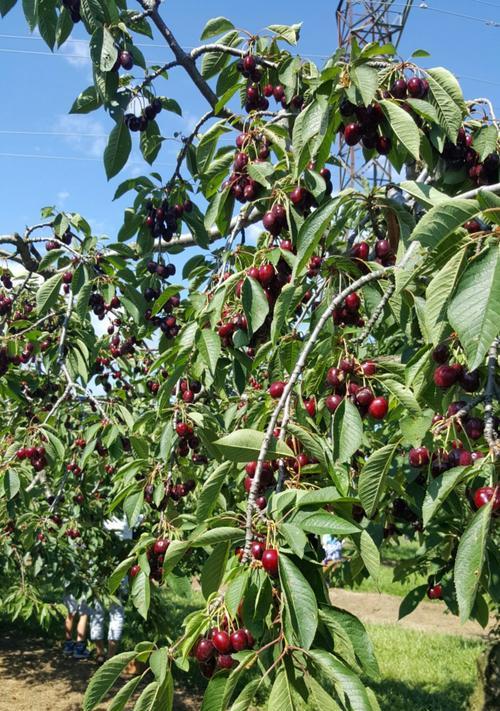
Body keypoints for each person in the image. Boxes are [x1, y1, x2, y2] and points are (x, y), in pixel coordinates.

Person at [88, 515, 133, 664]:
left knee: (97, 612)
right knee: (117, 614)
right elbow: (144, 516)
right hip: (121, 573)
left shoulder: (102, 516)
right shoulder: (129, 516)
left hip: (99, 573)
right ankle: (111, 656)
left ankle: (100, 652)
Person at [62, 595, 91, 659]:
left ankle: (68, 645)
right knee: (84, 614)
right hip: (83, 587)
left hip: (69, 587)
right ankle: (79, 649)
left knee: (70, 613)